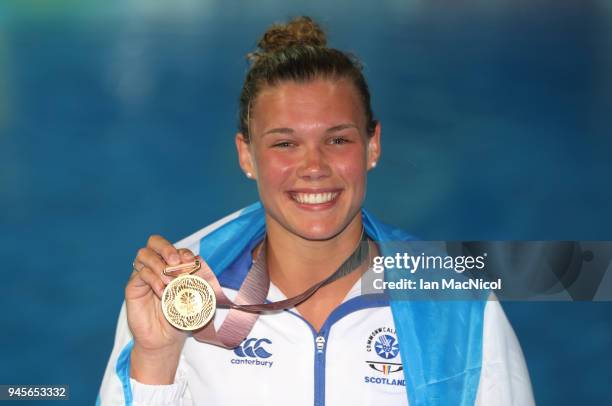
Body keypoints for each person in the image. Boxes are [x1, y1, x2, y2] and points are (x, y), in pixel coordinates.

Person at [98, 16, 535, 406]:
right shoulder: (178, 293)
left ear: (373, 146)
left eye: (338, 139)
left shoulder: (459, 308)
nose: (313, 167)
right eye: (285, 143)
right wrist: (156, 360)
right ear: (247, 156)